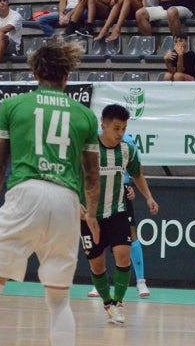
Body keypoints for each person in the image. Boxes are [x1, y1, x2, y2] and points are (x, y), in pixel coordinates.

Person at [0, 36, 101, 346]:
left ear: (35, 74)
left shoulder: (13, 106)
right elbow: (92, 176)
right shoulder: (86, 115)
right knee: (60, 301)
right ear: (66, 75)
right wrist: (91, 214)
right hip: (67, 201)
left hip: (26, 194)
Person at [81, 104, 159, 325]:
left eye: (124, 128)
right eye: (116, 128)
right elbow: (72, 176)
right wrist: (78, 205)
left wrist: (149, 197)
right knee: (97, 265)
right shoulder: (87, 149)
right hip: (90, 216)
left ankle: (118, 302)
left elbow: (137, 174)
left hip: (117, 210)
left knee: (123, 253)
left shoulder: (128, 150)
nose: (120, 133)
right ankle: (107, 302)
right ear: (102, 125)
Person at [88, 133, 152, 299]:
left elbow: (135, 170)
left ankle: (140, 281)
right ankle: (100, 284)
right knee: (97, 238)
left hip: (120, 193)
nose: (119, 130)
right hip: (99, 195)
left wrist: (130, 187)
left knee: (130, 236)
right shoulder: (95, 139)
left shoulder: (128, 142)